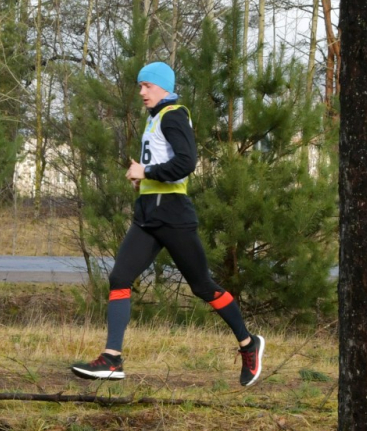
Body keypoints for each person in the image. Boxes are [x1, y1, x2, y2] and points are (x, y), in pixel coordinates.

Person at [71, 60, 265, 386]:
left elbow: (187, 162)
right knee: (119, 277)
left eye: (147, 86)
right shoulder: (154, 119)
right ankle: (112, 358)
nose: (142, 92)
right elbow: (162, 163)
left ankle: (249, 344)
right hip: (148, 215)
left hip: (173, 215)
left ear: (162, 86)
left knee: (203, 286)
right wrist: (142, 179)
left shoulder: (173, 115)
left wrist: (146, 172)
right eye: (140, 87)